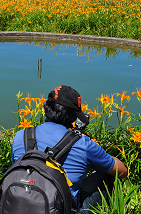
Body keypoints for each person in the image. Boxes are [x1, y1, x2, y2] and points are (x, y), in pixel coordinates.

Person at [12, 85, 128, 213]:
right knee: (105, 174)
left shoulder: (22, 135)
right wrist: (95, 150)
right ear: (74, 117)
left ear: (45, 108)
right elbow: (122, 172)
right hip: (61, 209)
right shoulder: (83, 143)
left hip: (19, 205)